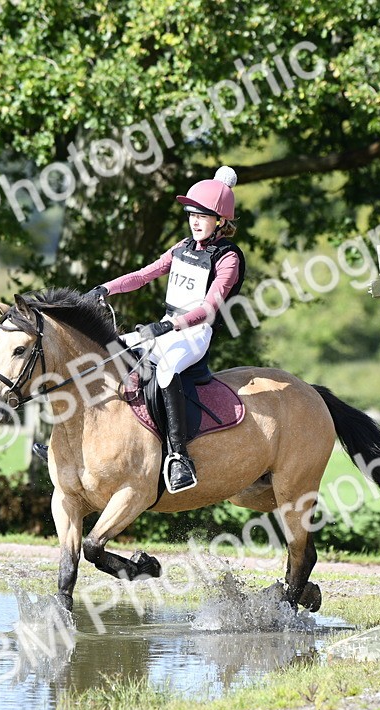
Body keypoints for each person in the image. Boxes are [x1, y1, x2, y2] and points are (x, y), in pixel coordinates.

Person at [86, 166, 246, 493]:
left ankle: (178, 457)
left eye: (203, 215)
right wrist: (105, 288)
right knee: (111, 356)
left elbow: (210, 307)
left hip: (194, 333)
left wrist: (171, 324)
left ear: (221, 221)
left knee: (166, 370)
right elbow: (144, 275)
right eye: (191, 214)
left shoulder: (228, 258)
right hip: (166, 328)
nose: (195, 221)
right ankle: (86, 445)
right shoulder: (182, 247)